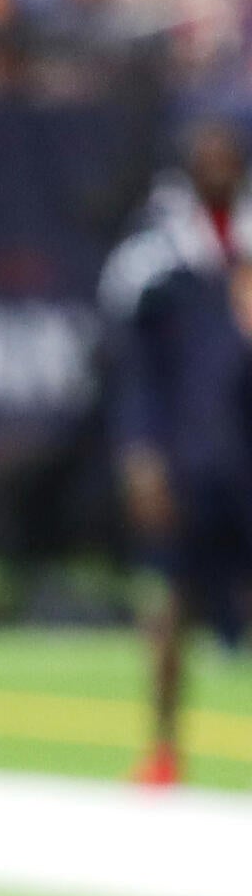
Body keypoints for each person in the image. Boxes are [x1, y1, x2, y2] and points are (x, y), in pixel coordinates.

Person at [100, 117, 252, 786]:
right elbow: (131, 366)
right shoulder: (156, 252)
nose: (216, 164)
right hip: (189, 454)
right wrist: (140, 454)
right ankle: (163, 747)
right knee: (170, 605)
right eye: (205, 154)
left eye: (227, 154)